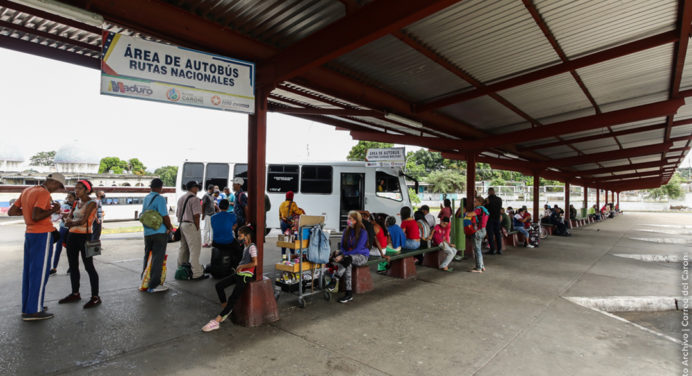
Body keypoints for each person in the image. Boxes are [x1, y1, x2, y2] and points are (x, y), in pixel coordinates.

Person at [9, 173, 65, 321]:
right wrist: (54, 209)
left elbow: (12, 211)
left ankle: (29, 306)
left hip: (30, 234)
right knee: (40, 273)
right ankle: (34, 310)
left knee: (29, 271)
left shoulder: (28, 190)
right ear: (53, 182)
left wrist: (26, 212)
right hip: (42, 234)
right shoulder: (44, 193)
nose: (57, 190)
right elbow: (36, 215)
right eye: (58, 187)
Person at [202, 225, 257, 332]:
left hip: (245, 276)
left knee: (233, 298)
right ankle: (226, 309)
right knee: (219, 286)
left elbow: (255, 262)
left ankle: (217, 321)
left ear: (247, 236)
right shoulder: (246, 247)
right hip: (239, 274)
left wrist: (242, 266)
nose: (239, 239)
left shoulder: (252, 247)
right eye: (238, 236)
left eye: (240, 236)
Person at [59, 179, 101, 309]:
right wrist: (69, 221)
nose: (76, 190)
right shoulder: (76, 203)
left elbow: (83, 221)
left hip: (86, 237)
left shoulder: (92, 203)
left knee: (89, 267)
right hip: (72, 236)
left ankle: (95, 297)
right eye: (75, 188)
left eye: (79, 188)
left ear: (87, 189)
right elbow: (69, 217)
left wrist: (70, 222)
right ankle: (75, 293)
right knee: (73, 266)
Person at [326, 211, 370, 303]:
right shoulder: (346, 231)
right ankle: (349, 294)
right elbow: (342, 246)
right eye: (348, 218)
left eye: (350, 219)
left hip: (362, 256)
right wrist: (342, 252)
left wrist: (342, 255)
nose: (347, 220)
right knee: (347, 264)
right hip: (349, 256)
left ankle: (335, 279)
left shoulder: (363, 232)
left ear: (355, 221)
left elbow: (358, 249)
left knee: (347, 259)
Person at [141, 178, 174, 293]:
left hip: (147, 232)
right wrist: (170, 227)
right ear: (160, 187)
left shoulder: (146, 198)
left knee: (148, 256)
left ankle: (144, 281)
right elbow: (165, 216)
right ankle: (153, 285)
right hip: (159, 232)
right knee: (157, 258)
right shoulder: (160, 199)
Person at [177, 181, 208, 280]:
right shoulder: (194, 199)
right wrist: (197, 227)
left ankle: (181, 270)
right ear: (193, 188)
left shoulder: (181, 198)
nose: (198, 189)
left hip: (182, 224)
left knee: (183, 248)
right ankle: (197, 273)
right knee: (195, 249)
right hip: (191, 225)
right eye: (197, 187)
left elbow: (178, 214)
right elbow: (196, 215)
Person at [50, 191, 76, 275]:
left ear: (75, 198)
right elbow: (62, 215)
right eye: (67, 197)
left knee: (70, 249)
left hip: (72, 229)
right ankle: (54, 267)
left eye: (70, 197)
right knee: (58, 248)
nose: (68, 199)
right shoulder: (65, 205)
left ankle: (71, 267)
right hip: (63, 228)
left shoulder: (78, 206)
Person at [278, 191, 303, 261]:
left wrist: (281, 223)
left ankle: (283, 258)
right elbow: (298, 212)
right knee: (291, 240)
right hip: (290, 224)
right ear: (292, 197)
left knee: (284, 240)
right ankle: (292, 257)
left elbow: (279, 215)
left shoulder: (282, 204)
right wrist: (302, 212)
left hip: (283, 223)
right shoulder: (292, 204)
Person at [467, 196, 488, 273]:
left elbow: (470, 215)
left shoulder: (479, 209)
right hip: (483, 230)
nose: (474, 203)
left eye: (475, 201)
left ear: (480, 202)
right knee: (479, 249)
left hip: (478, 231)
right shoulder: (485, 210)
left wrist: (465, 212)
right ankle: (481, 266)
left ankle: (478, 268)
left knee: (477, 250)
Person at [484, 188, 503, 255]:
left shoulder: (487, 199)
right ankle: (499, 249)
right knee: (497, 234)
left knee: (490, 234)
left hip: (490, 219)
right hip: (497, 218)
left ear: (489, 192)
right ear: (494, 192)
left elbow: (485, 208)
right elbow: (500, 208)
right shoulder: (499, 199)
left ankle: (492, 249)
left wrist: (487, 203)